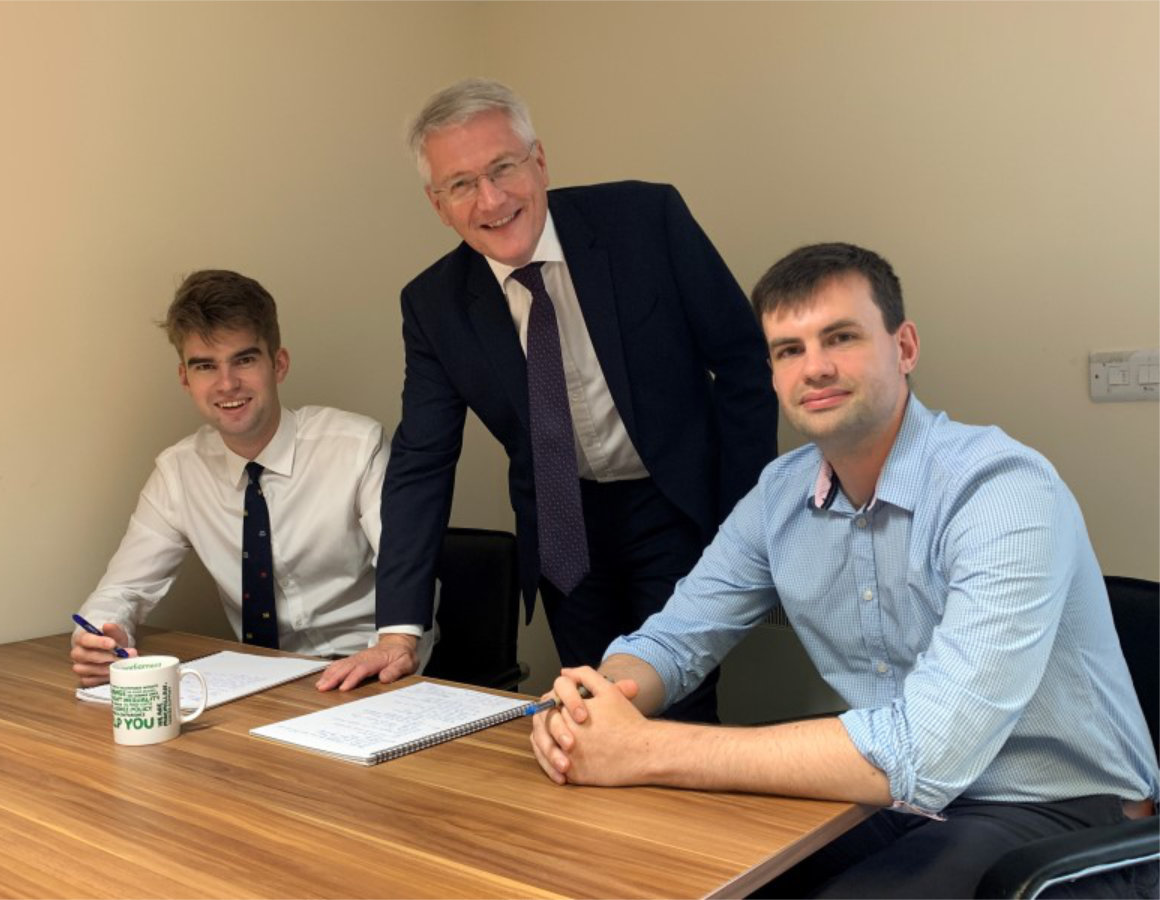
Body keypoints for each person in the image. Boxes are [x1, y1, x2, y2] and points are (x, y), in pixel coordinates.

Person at [529, 243, 1159, 898]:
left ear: (905, 347)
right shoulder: (777, 496)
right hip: (900, 800)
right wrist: (592, 704)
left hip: (1065, 813)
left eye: (841, 337)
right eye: (788, 350)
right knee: (671, 868)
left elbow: (929, 747)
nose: (816, 368)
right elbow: (675, 640)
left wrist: (645, 751)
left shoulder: (1002, 488)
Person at [327, 78, 777, 719]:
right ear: (438, 204)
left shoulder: (645, 221)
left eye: (503, 168)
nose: (491, 199)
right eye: (461, 184)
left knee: (675, 713)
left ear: (538, 161)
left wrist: (746, 520)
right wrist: (399, 630)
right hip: (566, 531)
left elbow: (743, 363)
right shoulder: (433, 306)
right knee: (586, 717)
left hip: (671, 505)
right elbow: (422, 461)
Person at [71, 270, 431, 688]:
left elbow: (402, 561)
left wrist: (394, 643)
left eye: (244, 359)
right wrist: (98, 635)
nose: (227, 384)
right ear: (185, 379)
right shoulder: (178, 473)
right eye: (206, 366)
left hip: (374, 668)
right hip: (262, 683)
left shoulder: (355, 446)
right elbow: (124, 589)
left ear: (278, 364)